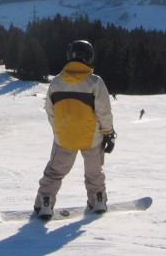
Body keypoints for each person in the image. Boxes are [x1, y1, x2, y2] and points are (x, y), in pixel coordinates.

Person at [34, 40, 115, 219]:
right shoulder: (95, 82)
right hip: (92, 138)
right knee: (94, 172)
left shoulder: (56, 82)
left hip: (65, 138)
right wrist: (108, 133)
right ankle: (98, 200)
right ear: (89, 57)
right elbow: (104, 112)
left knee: (54, 172)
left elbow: (50, 110)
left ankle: (45, 203)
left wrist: (59, 130)